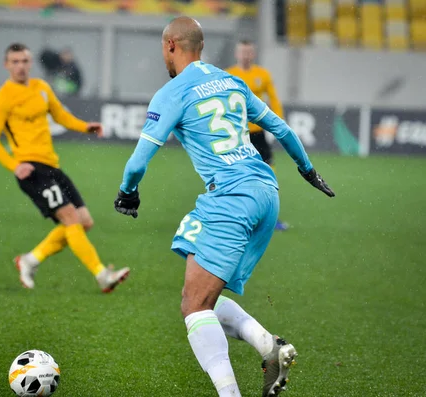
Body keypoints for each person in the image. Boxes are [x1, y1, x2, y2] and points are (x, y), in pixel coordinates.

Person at [114, 17, 334, 397]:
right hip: (267, 191)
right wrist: (308, 170)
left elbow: (137, 162)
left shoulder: (173, 92)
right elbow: (282, 130)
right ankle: (269, 347)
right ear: (200, 46)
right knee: (202, 299)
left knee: (194, 307)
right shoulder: (232, 81)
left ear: (170, 46)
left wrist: (127, 192)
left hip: (231, 197)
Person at [0, 43, 129, 293]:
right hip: (31, 170)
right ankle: (101, 274)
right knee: (71, 218)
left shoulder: (41, 88)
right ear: (6, 65)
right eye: (15, 61)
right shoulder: (2, 99)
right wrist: (14, 165)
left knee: (84, 222)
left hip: (52, 166)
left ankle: (30, 260)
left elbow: (60, 115)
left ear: (31, 63)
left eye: (24, 61)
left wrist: (85, 127)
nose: (20, 66)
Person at [226, 40, 289, 231]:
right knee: (234, 174)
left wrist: (278, 125)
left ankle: (270, 216)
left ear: (253, 55)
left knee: (269, 172)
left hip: (257, 133)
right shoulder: (229, 75)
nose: (245, 56)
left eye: (249, 52)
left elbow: (274, 100)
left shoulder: (263, 75)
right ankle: (232, 215)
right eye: (242, 52)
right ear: (237, 54)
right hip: (237, 134)